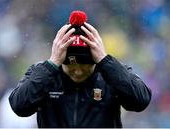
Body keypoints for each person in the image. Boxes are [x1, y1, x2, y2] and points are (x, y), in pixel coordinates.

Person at [9, 10, 151, 128]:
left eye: (85, 64)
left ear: (96, 59)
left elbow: (140, 101)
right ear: (59, 58)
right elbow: (19, 106)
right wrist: (51, 64)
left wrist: (105, 61)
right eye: (70, 64)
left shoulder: (111, 73)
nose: (78, 70)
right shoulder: (44, 73)